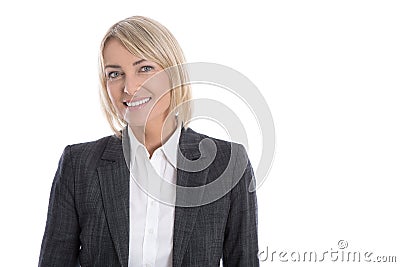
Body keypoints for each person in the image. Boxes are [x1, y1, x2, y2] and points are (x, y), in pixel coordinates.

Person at [39, 15, 259, 266]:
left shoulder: (227, 164)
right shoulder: (78, 165)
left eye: (144, 69)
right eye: (114, 74)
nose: (129, 87)